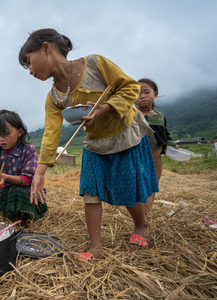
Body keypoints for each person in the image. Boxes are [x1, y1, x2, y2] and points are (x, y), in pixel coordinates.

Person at [18, 28, 158, 262]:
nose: (30, 71)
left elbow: (130, 87)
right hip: (94, 142)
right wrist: (39, 173)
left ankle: (141, 224)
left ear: (46, 47)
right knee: (90, 191)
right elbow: (51, 134)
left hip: (122, 133)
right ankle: (95, 247)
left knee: (127, 187)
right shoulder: (54, 97)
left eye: (29, 62)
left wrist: (103, 109)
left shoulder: (94, 63)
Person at [136, 78, 178, 212]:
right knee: (140, 185)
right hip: (139, 159)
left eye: (146, 92)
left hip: (156, 159)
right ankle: (140, 214)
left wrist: (171, 144)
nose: (142, 96)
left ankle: (147, 211)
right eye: (137, 93)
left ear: (155, 94)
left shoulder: (160, 116)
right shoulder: (133, 116)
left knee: (153, 185)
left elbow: (164, 134)